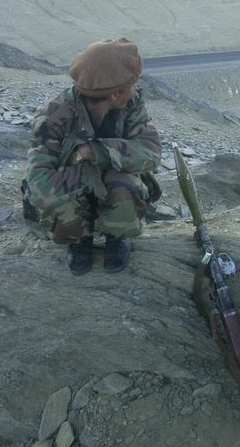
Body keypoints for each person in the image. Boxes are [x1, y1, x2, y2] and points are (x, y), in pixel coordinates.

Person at [21, 37, 162, 276]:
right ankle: (79, 241)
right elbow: (39, 186)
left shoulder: (132, 104)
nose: (135, 89)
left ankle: (117, 238)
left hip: (106, 188)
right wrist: (90, 174)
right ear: (115, 94)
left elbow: (151, 151)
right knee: (64, 207)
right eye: (133, 84)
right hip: (73, 193)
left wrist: (96, 152)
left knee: (124, 185)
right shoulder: (54, 117)